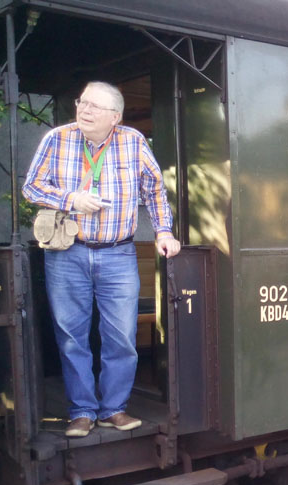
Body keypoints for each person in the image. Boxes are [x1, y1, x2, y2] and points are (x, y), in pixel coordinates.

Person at [22, 81, 181, 438]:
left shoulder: (133, 142)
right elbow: (31, 186)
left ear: (115, 117)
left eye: (95, 106)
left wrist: (164, 232)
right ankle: (81, 411)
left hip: (119, 253)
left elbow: (155, 190)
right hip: (67, 254)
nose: (85, 110)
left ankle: (114, 409)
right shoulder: (57, 139)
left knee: (121, 337)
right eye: (82, 102)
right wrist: (70, 199)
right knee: (71, 336)